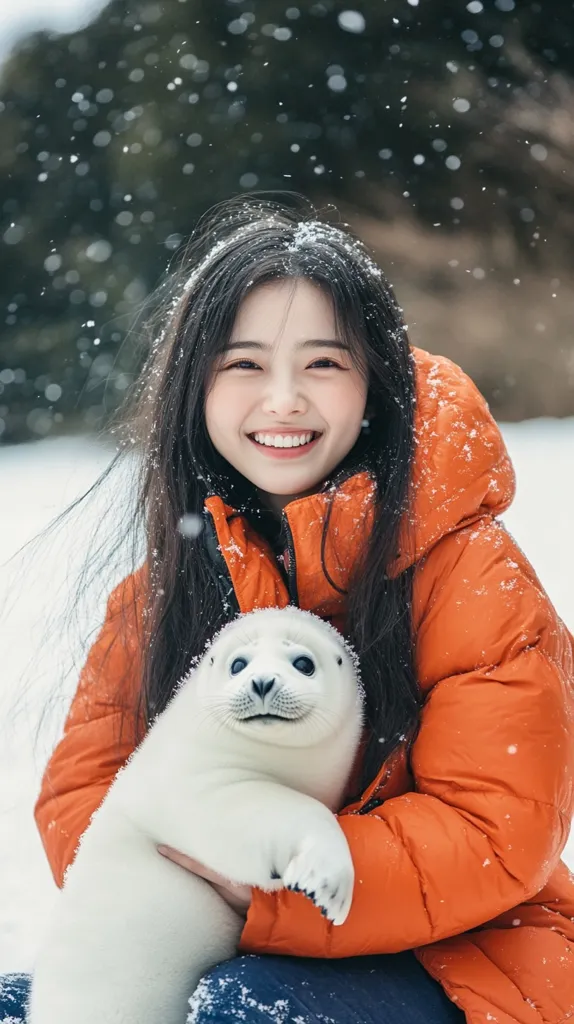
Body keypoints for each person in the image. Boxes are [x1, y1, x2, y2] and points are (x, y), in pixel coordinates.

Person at [2, 196, 573, 1024]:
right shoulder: (163, 590)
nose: (283, 401)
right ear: (195, 387)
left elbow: (493, 832)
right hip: (215, 944)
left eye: (323, 364)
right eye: (244, 365)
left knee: (250, 1009)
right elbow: (87, 801)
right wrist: (202, 885)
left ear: (377, 382)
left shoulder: (470, 573)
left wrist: (265, 882)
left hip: (467, 959)